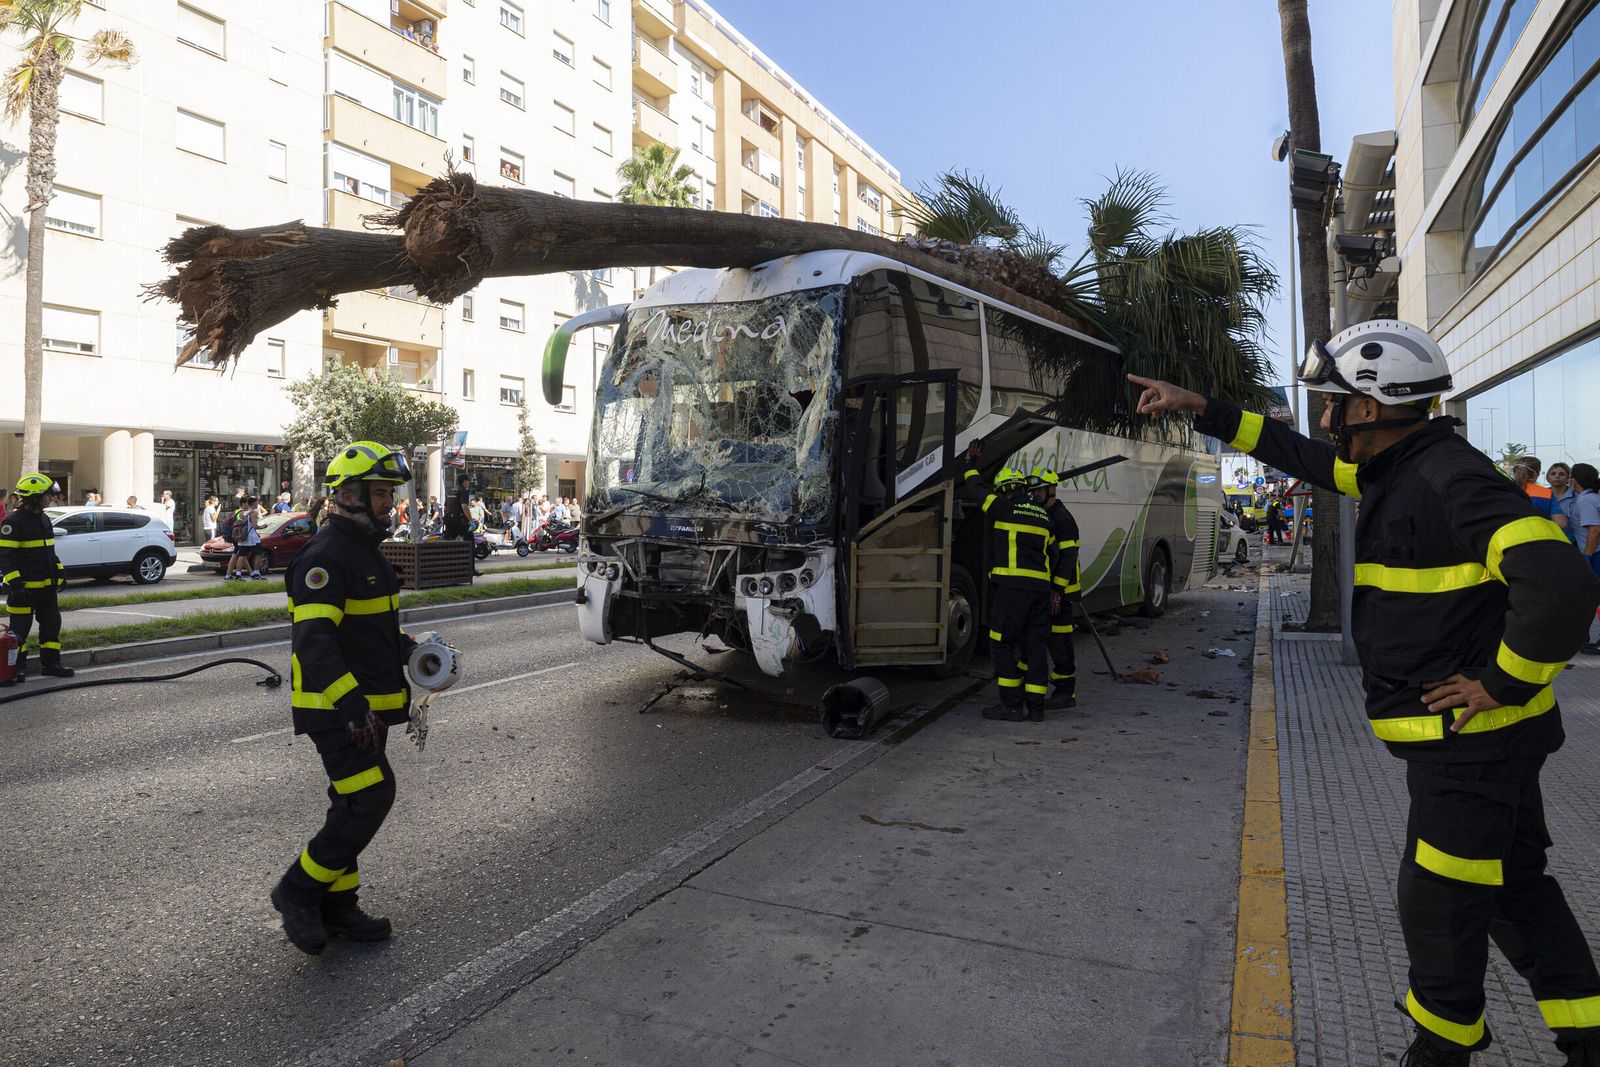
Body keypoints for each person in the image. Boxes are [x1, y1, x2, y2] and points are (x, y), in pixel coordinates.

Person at [1130, 318, 1600, 1065]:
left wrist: (1500, 681)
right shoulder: (1397, 468)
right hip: (1478, 746)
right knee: (1514, 889)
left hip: (1472, 748)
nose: (1325, 416)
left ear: (1372, 407)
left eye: (1334, 402)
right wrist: (1205, 407)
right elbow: (1301, 454)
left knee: (1440, 904)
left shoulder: (1447, 477)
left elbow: (1561, 580)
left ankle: (1440, 1051)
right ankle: (1588, 1034)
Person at [271, 441, 414, 955]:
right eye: (379, 494)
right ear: (348, 496)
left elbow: (367, 631)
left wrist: (412, 651)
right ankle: (298, 892)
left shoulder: (363, 549)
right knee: (370, 797)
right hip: (338, 710)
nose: (388, 504)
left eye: (389, 494)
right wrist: (353, 708)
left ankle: (340, 904)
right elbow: (314, 643)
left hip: (363, 711)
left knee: (349, 802)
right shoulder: (327, 555)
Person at [960, 445, 1057, 723]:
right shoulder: (1045, 517)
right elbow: (1052, 554)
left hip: (1013, 591)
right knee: (1035, 645)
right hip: (1039, 591)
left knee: (1000, 643)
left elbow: (977, 490)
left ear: (1004, 489)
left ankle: (1012, 705)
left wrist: (970, 464)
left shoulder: (1003, 507)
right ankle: (1036, 708)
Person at [0, 474, 73, 685]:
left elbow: (49, 552)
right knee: (19, 633)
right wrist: (16, 585)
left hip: (46, 589)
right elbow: (5, 558)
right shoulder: (13, 522)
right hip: (23, 591)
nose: (50, 498)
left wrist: (59, 572)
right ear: (35, 497)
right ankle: (16, 669)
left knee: (51, 625)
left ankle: (51, 664)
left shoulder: (44, 519)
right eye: (47, 495)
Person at [1032, 467, 1080, 709]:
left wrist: (1057, 592)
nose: (1035, 494)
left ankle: (1065, 691)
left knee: (1060, 642)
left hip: (1062, 592)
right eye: (1034, 490)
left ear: (1051, 489)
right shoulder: (1046, 515)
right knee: (1048, 639)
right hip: (1051, 591)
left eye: (1039, 489)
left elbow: (1068, 558)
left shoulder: (1062, 519)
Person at [1549, 463, 1578, 545]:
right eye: (1553, 474)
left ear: (1568, 478)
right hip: (1549, 541)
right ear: (1548, 477)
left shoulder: (1576, 496)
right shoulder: (1542, 495)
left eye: (1562, 474)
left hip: (1573, 542)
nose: (1557, 476)